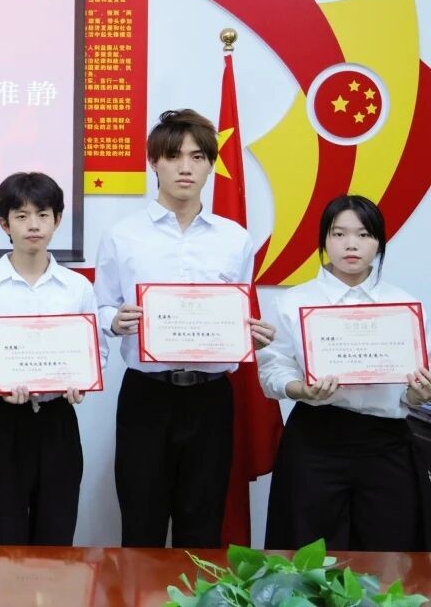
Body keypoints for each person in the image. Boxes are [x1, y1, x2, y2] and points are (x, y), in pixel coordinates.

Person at [94, 109, 274, 548]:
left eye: (197, 157)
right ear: (153, 162)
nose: (185, 167)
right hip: (147, 396)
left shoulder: (234, 238)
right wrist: (113, 320)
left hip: (211, 397)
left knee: (203, 526)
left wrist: (249, 333)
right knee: (141, 525)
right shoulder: (122, 235)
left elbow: (238, 310)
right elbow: (100, 306)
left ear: (211, 165)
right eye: (173, 156)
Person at [260, 194, 431, 551]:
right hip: (316, 439)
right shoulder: (293, 302)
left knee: (390, 552)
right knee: (308, 554)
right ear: (324, 240)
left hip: (386, 442)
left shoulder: (404, 306)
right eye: (339, 234)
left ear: (379, 242)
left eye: (364, 234)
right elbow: (273, 369)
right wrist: (299, 389)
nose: (351, 244)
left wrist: (417, 394)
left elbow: (416, 380)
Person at [0, 171, 103, 546]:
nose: (33, 225)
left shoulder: (78, 288)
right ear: (5, 223)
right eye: (21, 215)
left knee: (56, 542)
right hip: (2, 424)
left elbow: (98, 353)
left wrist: (81, 381)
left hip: (59, 423)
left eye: (43, 215)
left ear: (58, 220)